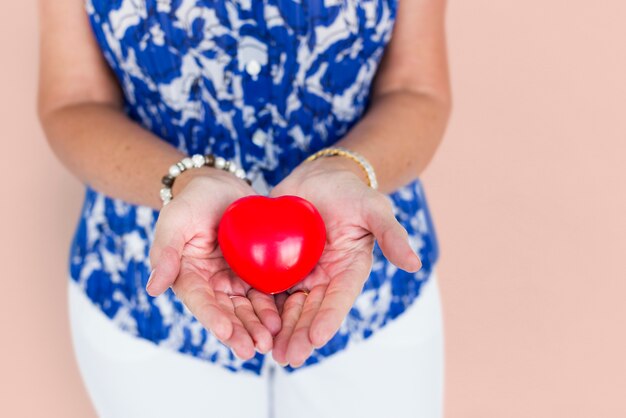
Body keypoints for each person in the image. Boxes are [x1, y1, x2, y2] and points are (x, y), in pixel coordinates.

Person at [37, 0, 451, 416]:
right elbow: (74, 99)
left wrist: (345, 168)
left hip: (370, 290)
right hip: (143, 293)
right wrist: (185, 180)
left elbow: (416, 88)